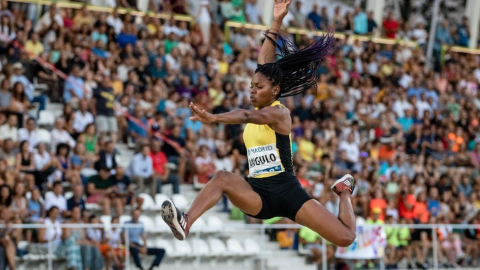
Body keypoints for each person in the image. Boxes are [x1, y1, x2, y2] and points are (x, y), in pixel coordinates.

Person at [161, 0, 356, 248]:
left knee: (346, 238)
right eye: (251, 86)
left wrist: (214, 118)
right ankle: (185, 222)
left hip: (287, 191)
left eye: (259, 87)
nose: (252, 91)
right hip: (258, 195)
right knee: (221, 177)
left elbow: (244, 116)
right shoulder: (260, 104)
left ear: (275, 90)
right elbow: (264, 62)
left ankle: (344, 189)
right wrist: (276, 21)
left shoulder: (279, 113)